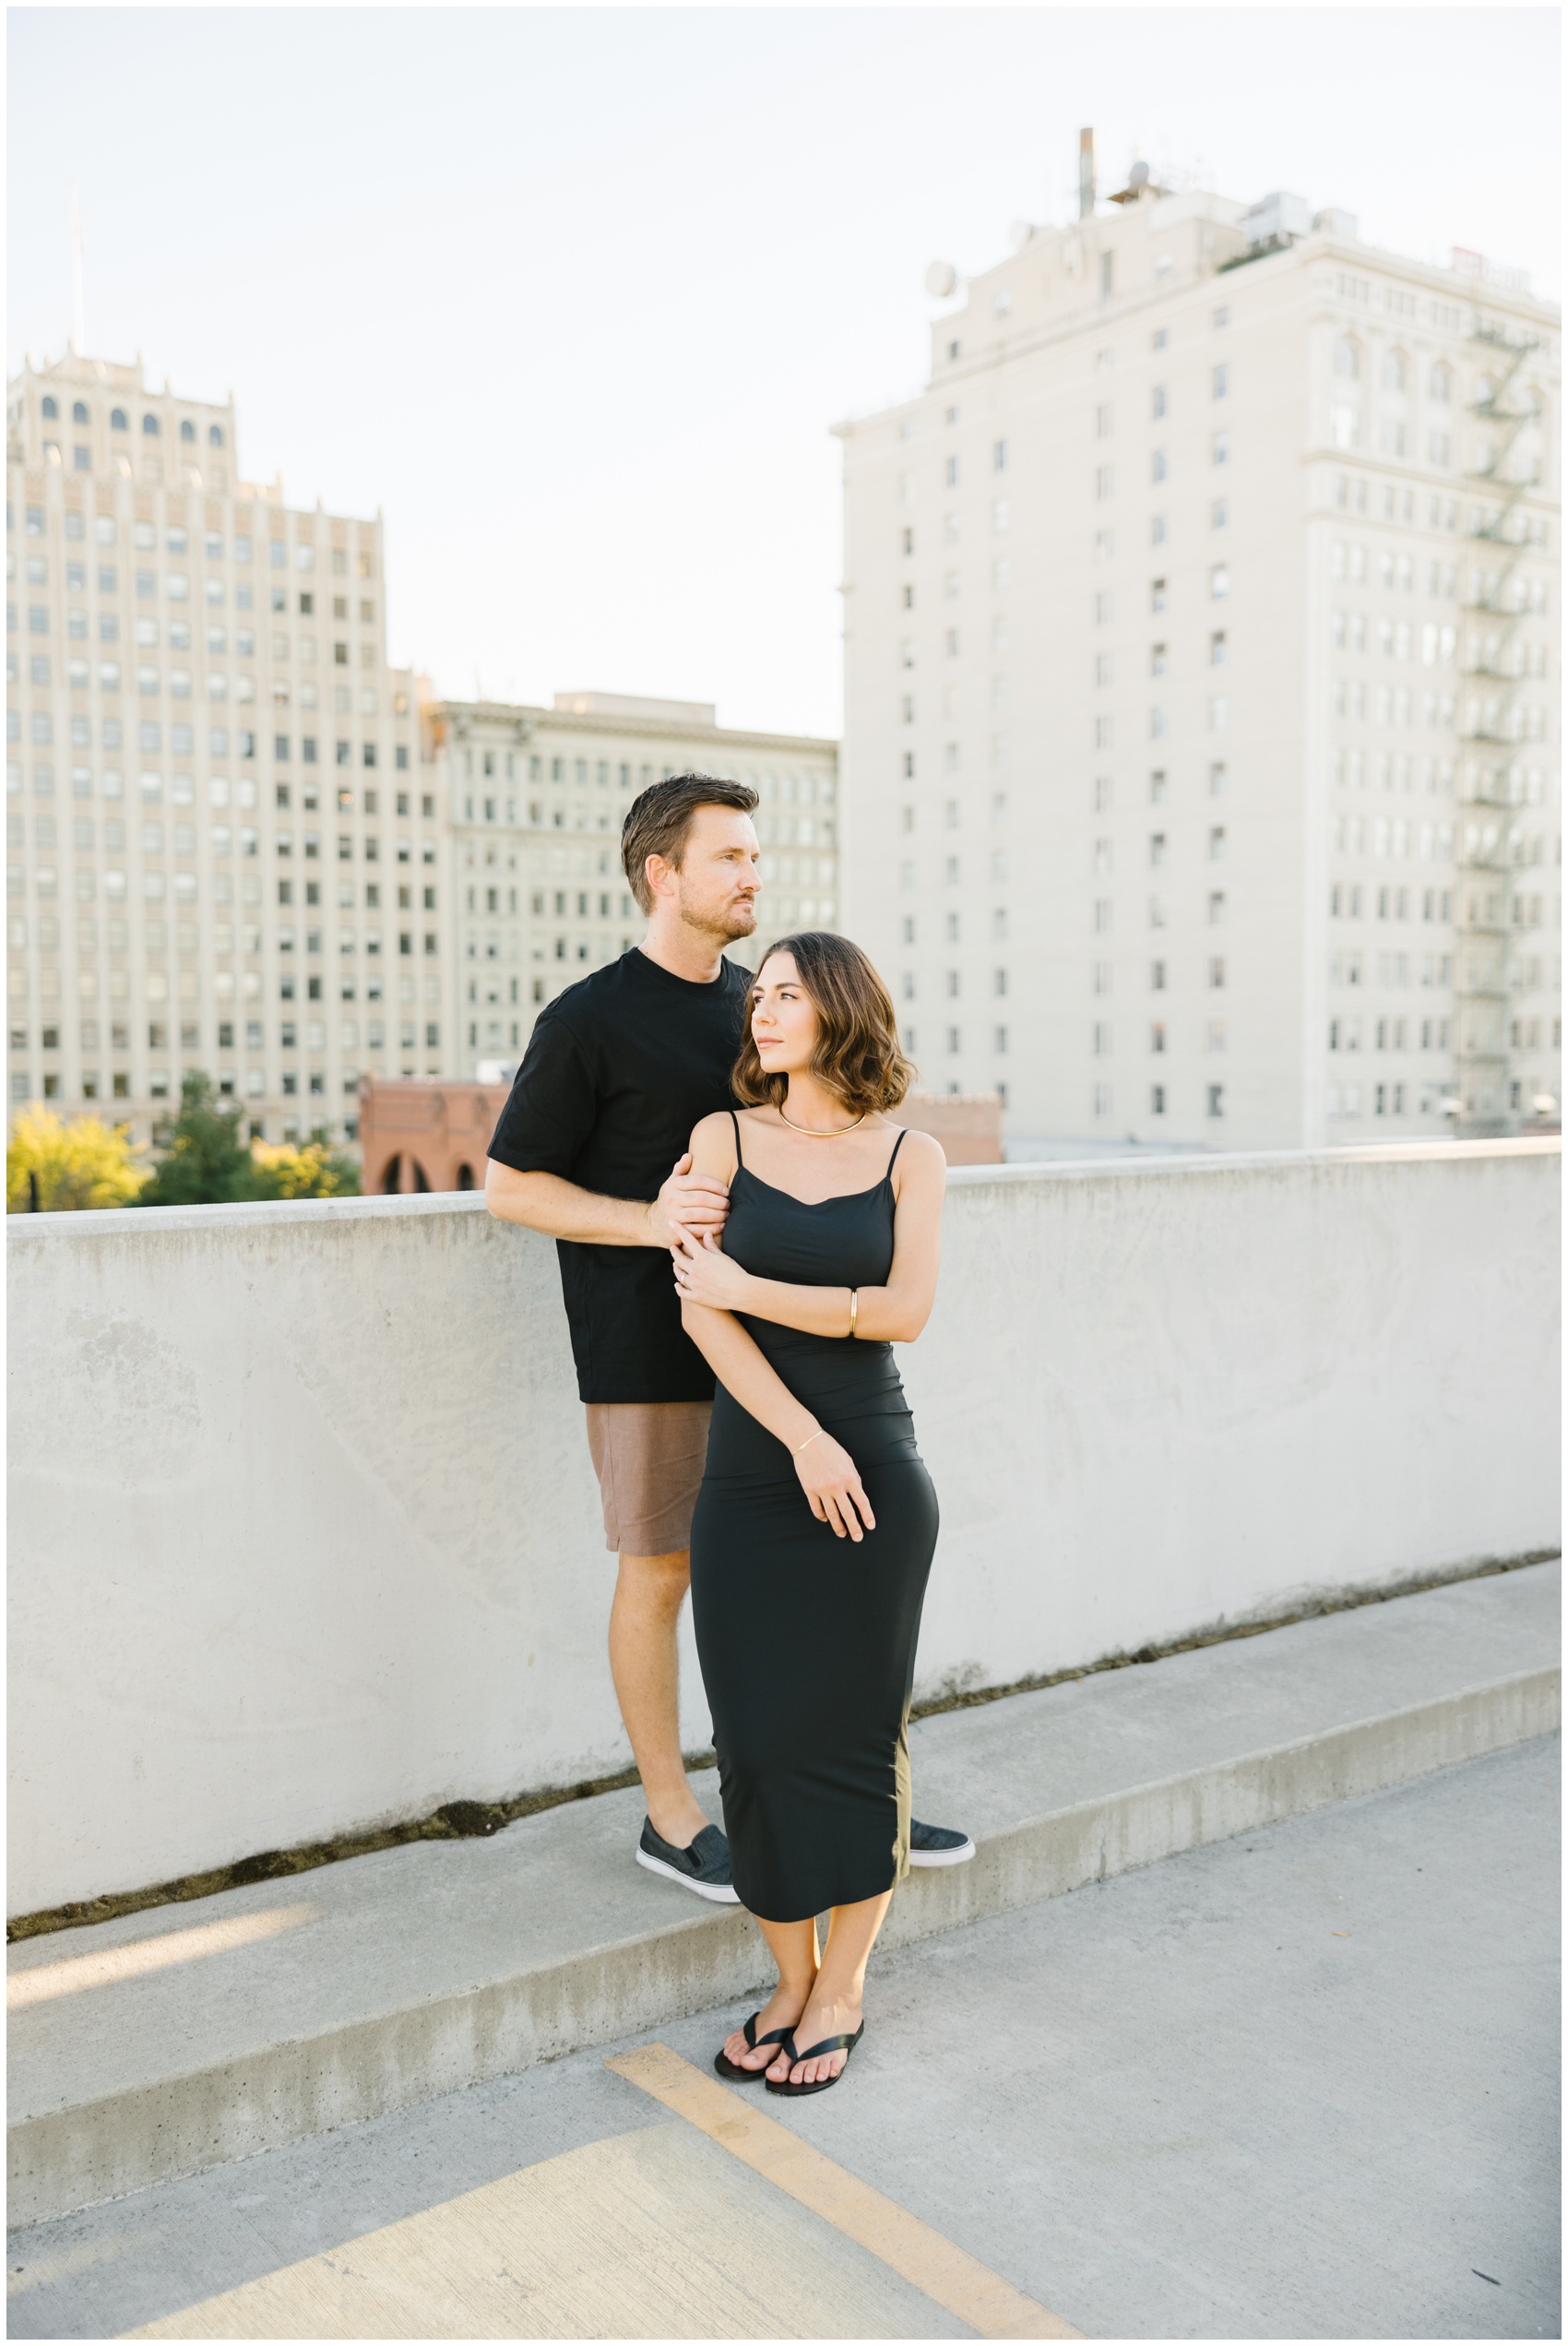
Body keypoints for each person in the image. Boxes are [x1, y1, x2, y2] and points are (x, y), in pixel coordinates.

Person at [484, 774, 972, 1905]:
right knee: (659, 1572)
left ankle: (847, 1794)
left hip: (794, 1352)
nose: (755, 875)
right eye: (731, 858)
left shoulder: (766, 998)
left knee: (822, 1576)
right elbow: (509, 1186)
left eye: (757, 857)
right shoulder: (588, 1017)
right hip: (649, 1351)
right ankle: (670, 1817)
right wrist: (644, 1221)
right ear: (662, 873)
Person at [672, 931, 944, 2094]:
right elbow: (699, 1310)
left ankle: (841, 1986)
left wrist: (753, 1284)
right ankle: (787, 1976)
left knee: (852, 1736)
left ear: (838, 1008)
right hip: (756, 1472)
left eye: (786, 993)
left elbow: (905, 1311)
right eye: (758, 995)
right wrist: (801, 1435)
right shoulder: (718, 1138)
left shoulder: (909, 1154)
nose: (761, 1011)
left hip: (876, 1470)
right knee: (756, 1739)